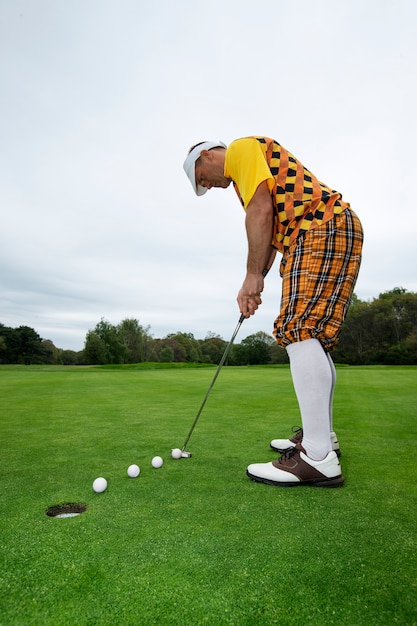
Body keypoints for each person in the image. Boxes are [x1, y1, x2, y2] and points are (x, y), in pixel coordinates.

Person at [183, 137, 363, 487]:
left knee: (300, 330)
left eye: (200, 177)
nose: (205, 185)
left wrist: (252, 277)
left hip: (318, 230)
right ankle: (322, 439)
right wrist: (256, 279)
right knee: (313, 337)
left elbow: (261, 212)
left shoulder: (241, 149)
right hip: (326, 229)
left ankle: (317, 456)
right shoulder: (244, 177)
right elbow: (266, 233)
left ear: (206, 155)